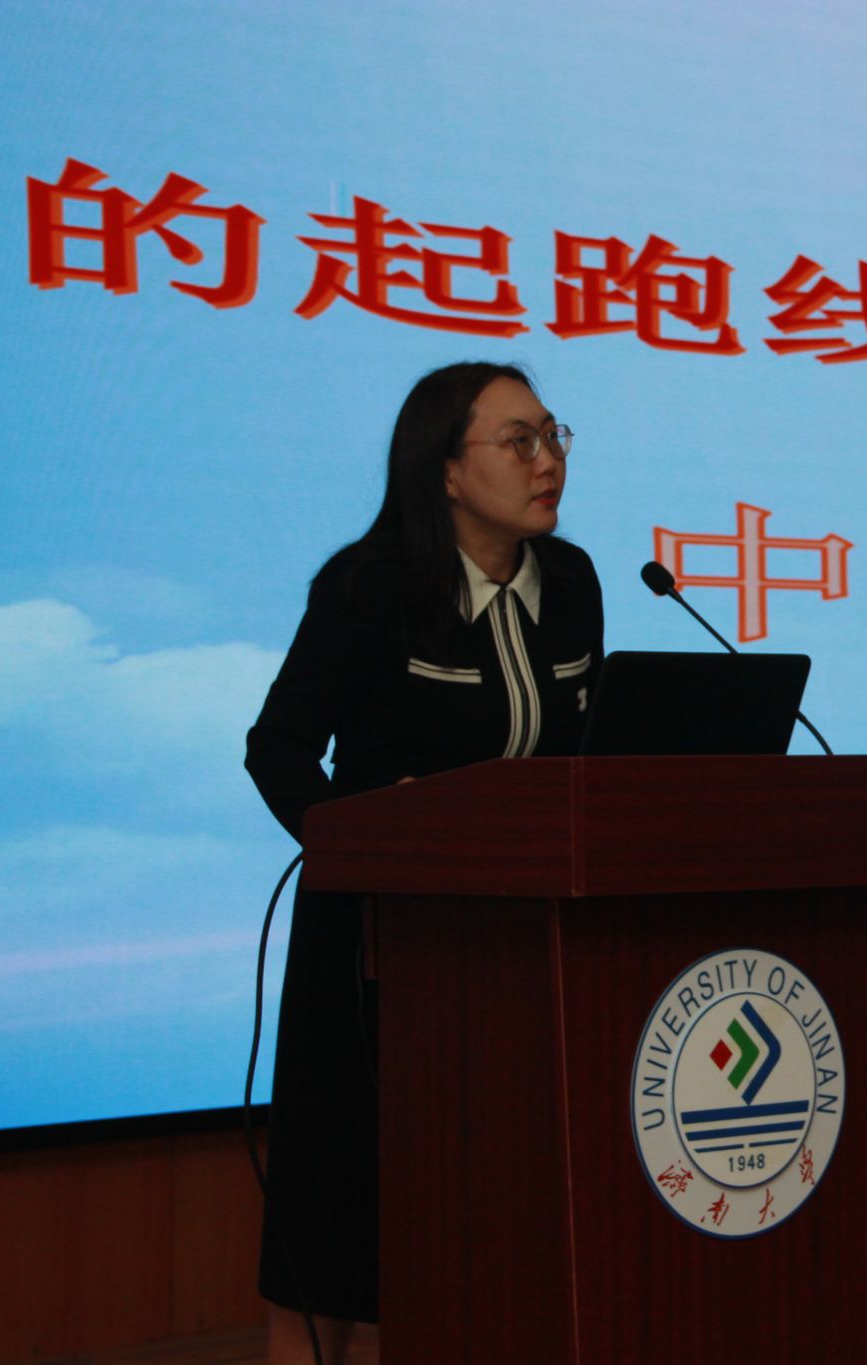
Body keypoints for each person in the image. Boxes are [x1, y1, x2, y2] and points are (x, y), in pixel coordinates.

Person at [243, 361, 603, 1363]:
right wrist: (362, 836)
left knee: (485, 1223)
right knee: (339, 1215)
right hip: (374, 946)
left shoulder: (572, 582)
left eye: (553, 435)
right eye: (518, 441)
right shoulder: (368, 588)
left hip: (520, 951)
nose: (547, 461)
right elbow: (278, 747)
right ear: (445, 470)